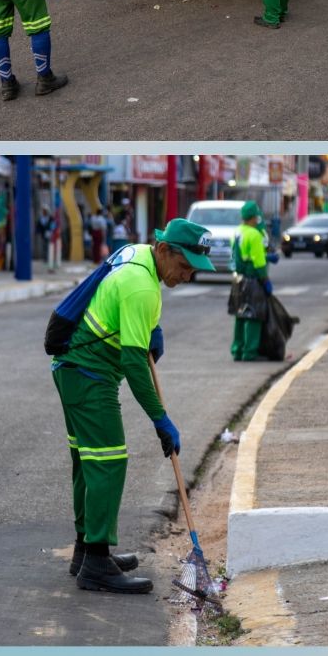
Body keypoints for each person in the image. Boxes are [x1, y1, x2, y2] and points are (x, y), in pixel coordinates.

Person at [51, 218, 215, 593]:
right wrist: (160, 419)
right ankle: (96, 564)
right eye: (184, 265)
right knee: (108, 463)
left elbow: (122, 303)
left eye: (193, 270)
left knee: (89, 463)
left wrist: (152, 328)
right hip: (89, 374)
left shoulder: (139, 255)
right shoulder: (141, 285)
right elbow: (133, 363)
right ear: (164, 249)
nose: (187, 275)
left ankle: (87, 551)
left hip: (74, 369)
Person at [231, 201, 272, 361]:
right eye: (257, 216)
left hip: (238, 280)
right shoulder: (254, 235)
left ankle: (237, 350)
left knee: (240, 314)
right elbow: (258, 262)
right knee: (254, 316)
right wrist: (265, 280)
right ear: (254, 217)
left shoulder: (237, 231)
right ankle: (250, 352)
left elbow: (240, 255)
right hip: (252, 280)